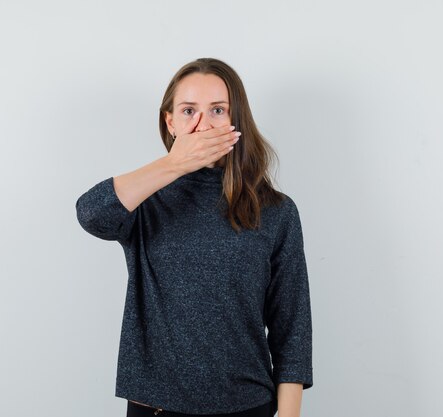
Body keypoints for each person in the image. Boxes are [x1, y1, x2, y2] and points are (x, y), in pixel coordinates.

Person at [75, 57, 313, 417]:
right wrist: (174, 163)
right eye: (188, 111)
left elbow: (291, 326)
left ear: (237, 121)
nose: (203, 124)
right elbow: (91, 213)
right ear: (170, 122)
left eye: (218, 110)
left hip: (248, 405)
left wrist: (290, 414)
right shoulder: (145, 201)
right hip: (155, 407)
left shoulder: (276, 211)